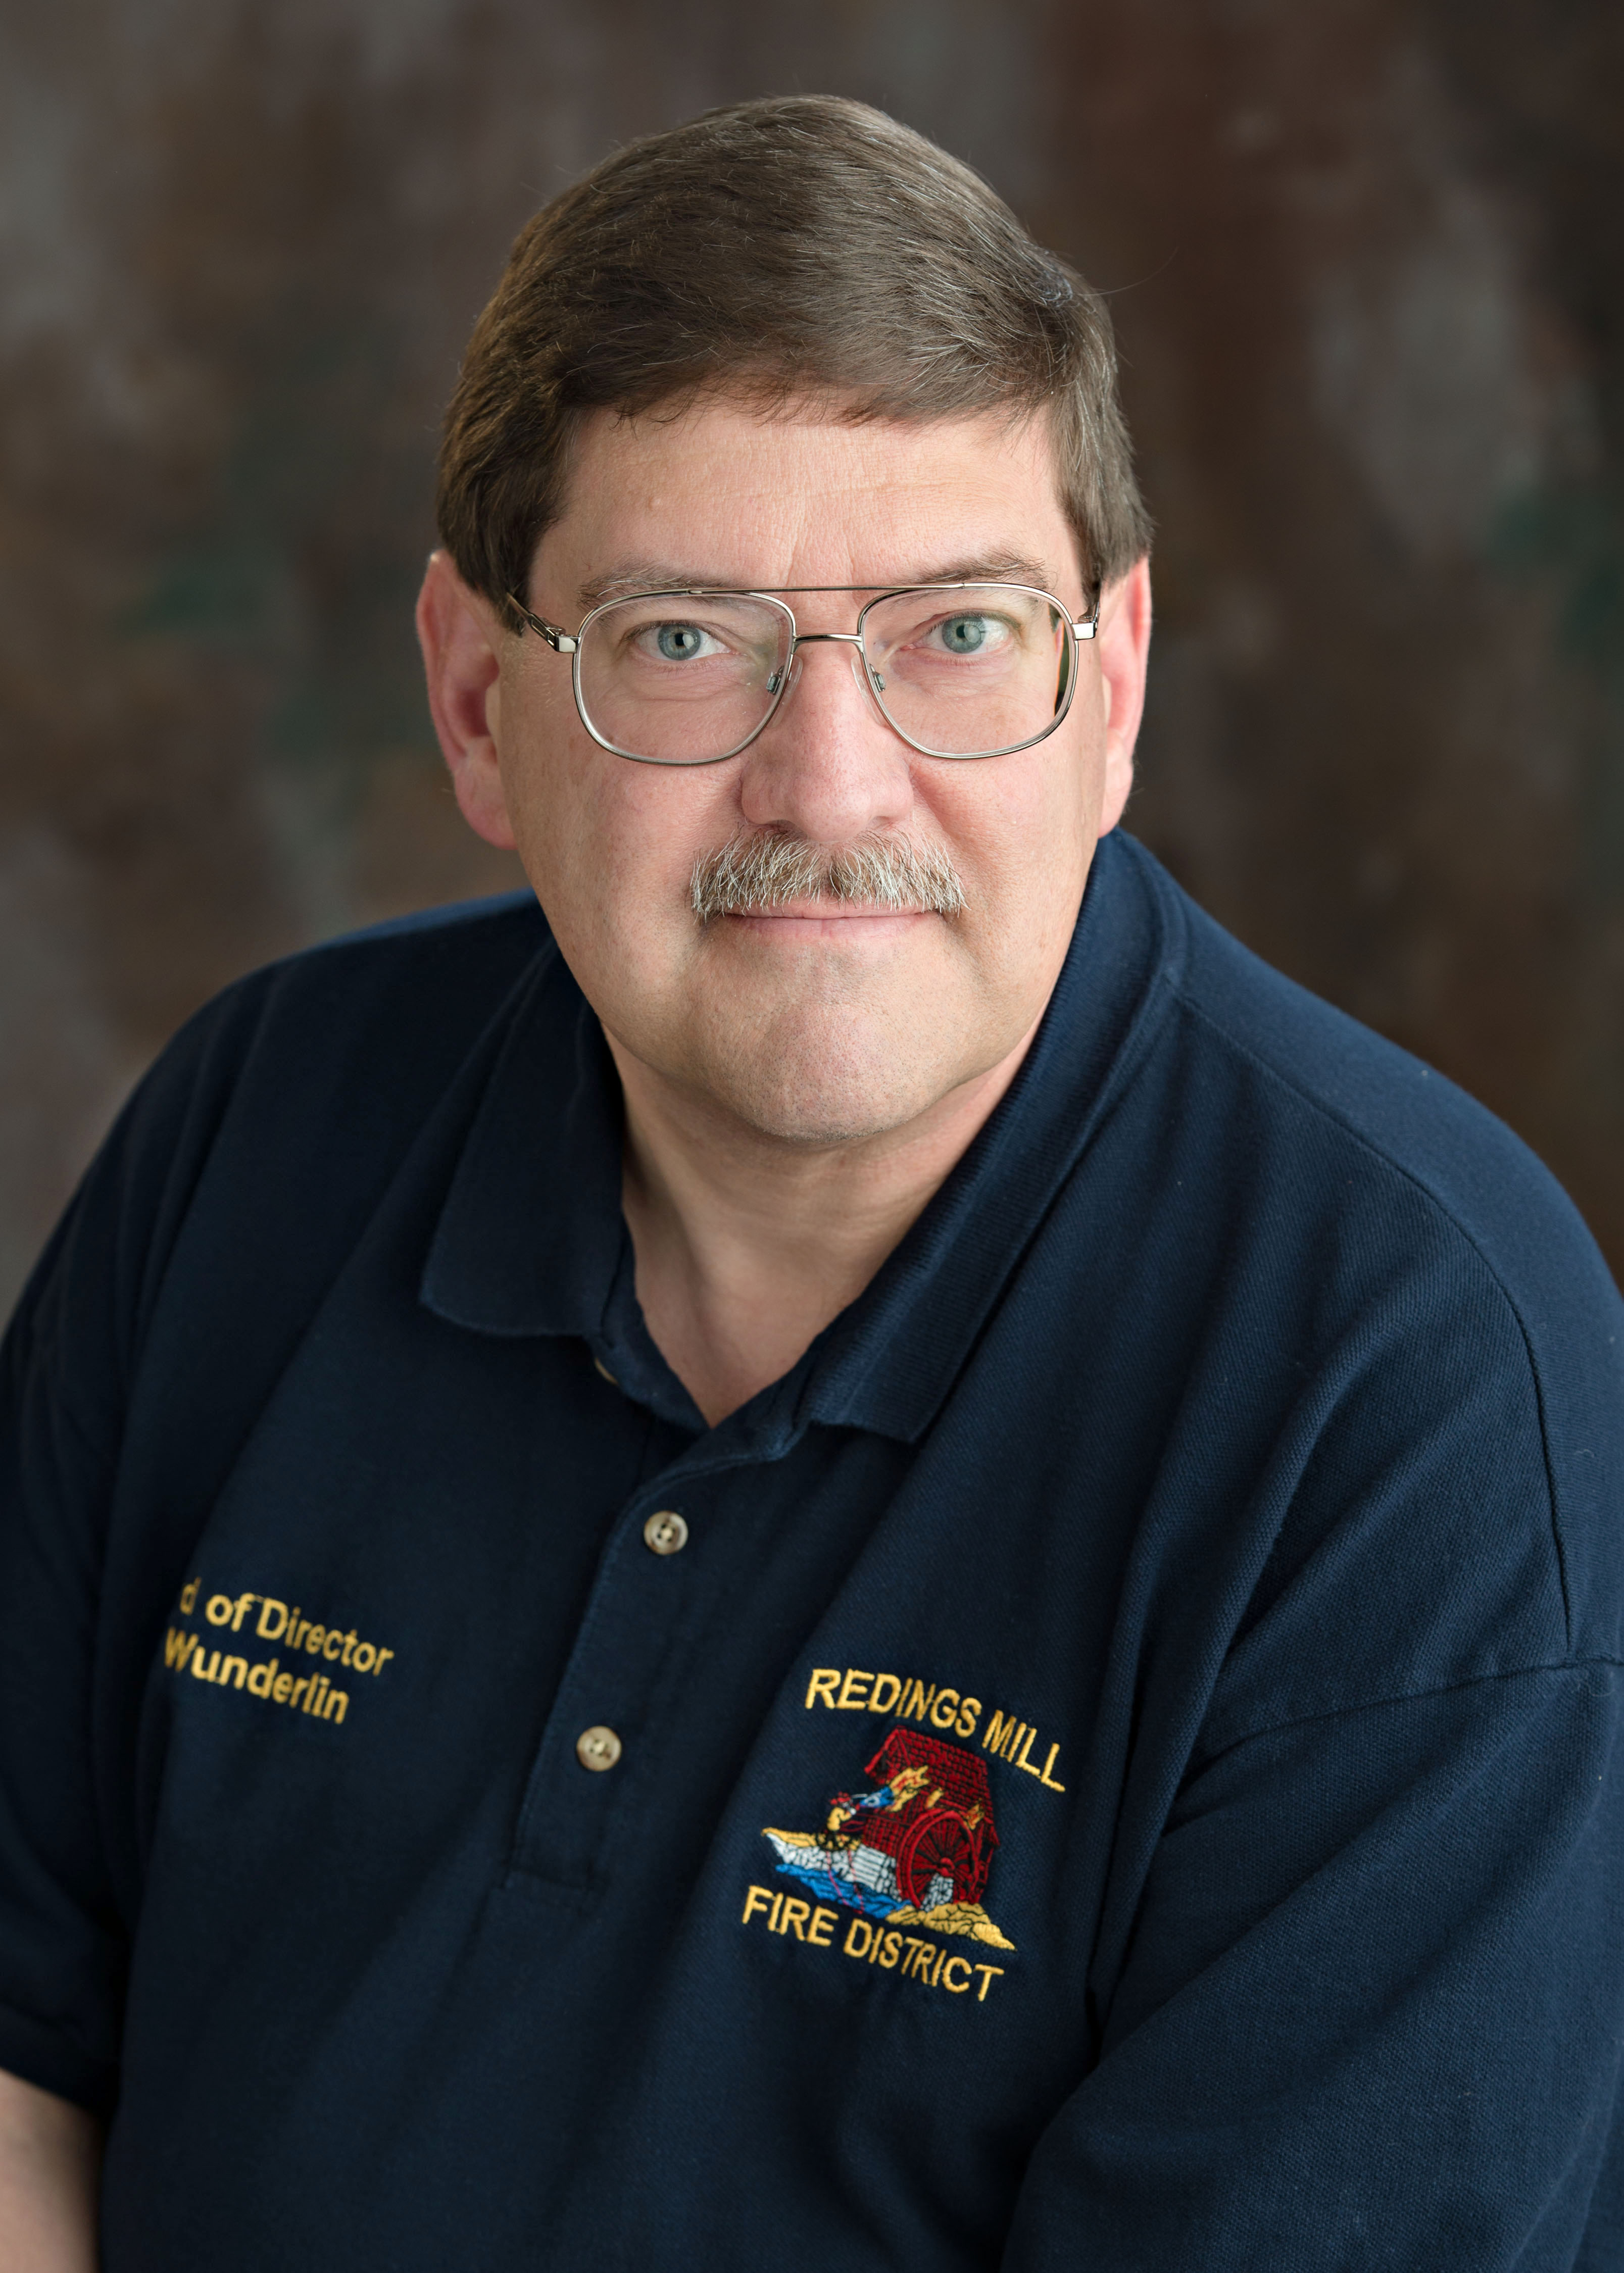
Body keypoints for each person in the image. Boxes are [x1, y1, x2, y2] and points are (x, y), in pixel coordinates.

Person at [0, 92, 1620, 2273]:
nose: (832, 787)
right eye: (685, 639)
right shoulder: (262, 1131)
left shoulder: (1412, 1390)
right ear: (477, 704)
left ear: (1114, 687)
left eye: (959, 633)